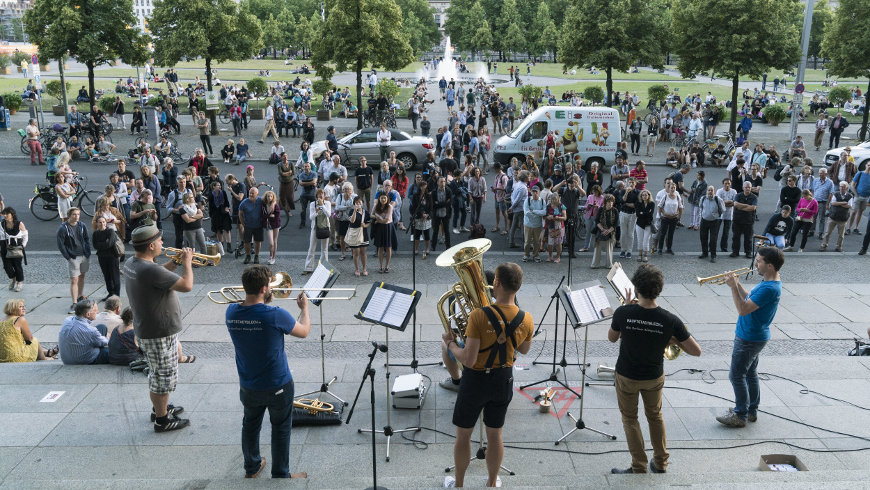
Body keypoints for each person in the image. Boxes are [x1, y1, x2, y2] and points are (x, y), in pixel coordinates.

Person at [442, 263, 533, 489]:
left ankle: (459, 485)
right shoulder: (526, 318)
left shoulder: (478, 316)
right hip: (503, 379)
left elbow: (468, 359)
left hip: (475, 381)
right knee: (495, 435)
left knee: (463, 435)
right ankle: (492, 483)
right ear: (518, 287)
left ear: (497, 283)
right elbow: (524, 350)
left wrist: (451, 344)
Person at [609, 264, 701, 474]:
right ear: (658, 289)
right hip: (653, 376)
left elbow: (611, 338)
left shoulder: (623, 312)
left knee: (630, 419)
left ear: (635, 287)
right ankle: (660, 463)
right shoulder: (670, 320)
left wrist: (628, 309)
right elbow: (696, 351)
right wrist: (671, 337)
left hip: (627, 376)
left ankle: (639, 466)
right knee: (655, 416)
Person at [225, 265, 310, 479]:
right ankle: (281, 473)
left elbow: (253, 312)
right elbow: (304, 331)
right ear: (264, 288)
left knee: (250, 424)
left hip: (248, 383)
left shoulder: (231, 311)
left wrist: (264, 300)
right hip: (278, 383)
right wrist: (304, 309)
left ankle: (252, 467)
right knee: (281, 427)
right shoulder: (275, 314)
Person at [123, 224, 193, 432]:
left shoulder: (133, 262)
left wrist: (173, 262)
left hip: (150, 329)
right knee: (162, 377)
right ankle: (162, 420)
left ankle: (159, 408)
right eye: (160, 240)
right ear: (152, 245)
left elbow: (158, 273)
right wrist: (187, 263)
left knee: (157, 374)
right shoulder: (148, 268)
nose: (163, 243)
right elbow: (187, 285)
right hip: (158, 332)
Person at [717, 247, 784, 428]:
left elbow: (743, 309)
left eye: (759, 261)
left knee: (736, 375)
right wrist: (737, 283)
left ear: (769, 266)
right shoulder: (768, 283)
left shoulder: (769, 288)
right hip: (754, 335)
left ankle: (740, 414)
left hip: (749, 337)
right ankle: (751, 410)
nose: (756, 263)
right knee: (750, 373)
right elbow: (749, 298)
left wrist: (732, 288)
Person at [56, 208, 91, 314]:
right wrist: (68, 257)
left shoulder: (82, 225)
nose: (77, 216)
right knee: (74, 280)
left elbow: (86, 239)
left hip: (84, 255)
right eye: (74, 214)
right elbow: (61, 244)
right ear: (69, 215)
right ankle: (74, 303)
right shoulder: (63, 228)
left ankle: (80, 295)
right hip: (73, 257)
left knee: (82, 276)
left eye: (78, 214)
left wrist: (88, 252)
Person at [58, 300, 109, 365]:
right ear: (88, 314)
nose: (98, 312)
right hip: (83, 360)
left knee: (102, 327)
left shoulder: (68, 320)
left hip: (66, 360)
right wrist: (108, 337)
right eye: (96, 311)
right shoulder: (90, 331)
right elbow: (105, 342)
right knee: (112, 352)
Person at [91, 215, 122, 300]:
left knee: (114, 276)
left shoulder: (110, 231)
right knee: (106, 276)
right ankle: (110, 293)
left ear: (106, 223)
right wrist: (104, 243)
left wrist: (102, 244)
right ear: (97, 224)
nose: (102, 224)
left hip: (112, 257)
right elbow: (95, 245)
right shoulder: (95, 233)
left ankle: (116, 295)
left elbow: (109, 244)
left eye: (104, 222)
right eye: (100, 222)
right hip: (102, 257)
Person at [304, 188, 331, 274]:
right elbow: (311, 217)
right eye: (319, 194)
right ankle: (308, 268)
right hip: (315, 228)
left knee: (324, 249)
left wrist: (322, 205)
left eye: (322, 193)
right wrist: (316, 212)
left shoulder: (327, 203)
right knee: (311, 248)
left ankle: (324, 268)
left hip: (325, 228)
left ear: (324, 195)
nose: (321, 195)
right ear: (316, 196)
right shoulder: (313, 204)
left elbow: (329, 214)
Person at [820, 181, 853, 252]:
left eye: (843, 187)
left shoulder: (850, 196)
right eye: (840, 186)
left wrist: (838, 204)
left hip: (843, 218)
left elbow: (849, 205)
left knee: (841, 235)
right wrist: (843, 203)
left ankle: (838, 247)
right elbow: (833, 203)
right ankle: (824, 245)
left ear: (846, 188)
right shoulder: (836, 194)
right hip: (833, 217)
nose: (841, 188)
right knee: (827, 233)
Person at [1, 208, 28, 292]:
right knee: (6, 266)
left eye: (7, 214)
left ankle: (19, 283)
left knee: (17, 265)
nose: (5, 215)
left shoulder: (19, 223)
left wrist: (23, 245)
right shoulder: (1, 224)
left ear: (12, 214)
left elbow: (25, 235)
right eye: (4, 214)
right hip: (5, 246)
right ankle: (13, 278)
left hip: (16, 246)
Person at [730, 182, 758, 258]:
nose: (747, 189)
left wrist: (741, 206)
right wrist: (747, 206)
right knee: (736, 237)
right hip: (737, 220)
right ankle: (735, 252)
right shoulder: (738, 195)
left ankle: (748, 252)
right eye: (746, 187)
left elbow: (753, 208)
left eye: (749, 187)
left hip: (748, 221)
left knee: (748, 238)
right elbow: (735, 204)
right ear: (743, 188)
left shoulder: (754, 197)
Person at [372, 192, 397, 273]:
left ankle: (387, 266)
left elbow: (386, 220)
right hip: (380, 228)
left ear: (387, 199)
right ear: (379, 199)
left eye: (384, 198)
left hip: (388, 227)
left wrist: (378, 220)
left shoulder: (389, 207)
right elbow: (371, 214)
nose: (383, 200)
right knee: (380, 247)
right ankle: (381, 266)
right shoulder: (376, 206)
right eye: (381, 198)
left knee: (388, 247)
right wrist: (376, 217)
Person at [592, 194, 619, 268]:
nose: (610, 203)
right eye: (609, 202)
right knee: (597, 248)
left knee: (609, 248)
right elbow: (597, 221)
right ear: (605, 202)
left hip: (610, 231)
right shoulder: (601, 209)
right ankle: (595, 264)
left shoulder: (615, 210)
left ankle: (609, 264)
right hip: (601, 230)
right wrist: (603, 229)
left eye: (612, 202)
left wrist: (608, 231)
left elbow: (616, 223)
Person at [239, 187, 264, 264]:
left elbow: (271, 201)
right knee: (247, 242)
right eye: (250, 193)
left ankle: (256, 256)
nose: (251, 194)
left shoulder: (261, 200)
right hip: (248, 225)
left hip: (259, 225)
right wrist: (243, 224)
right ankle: (248, 256)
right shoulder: (244, 202)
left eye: (253, 193)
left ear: (257, 194)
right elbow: (240, 214)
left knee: (258, 241)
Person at [847, 164, 870, 235]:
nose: (869, 167)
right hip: (858, 196)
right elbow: (852, 184)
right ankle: (849, 228)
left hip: (866, 197)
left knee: (860, 212)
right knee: (854, 212)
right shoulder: (860, 173)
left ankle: (856, 228)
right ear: (866, 165)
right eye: (869, 165)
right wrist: (856, 194)